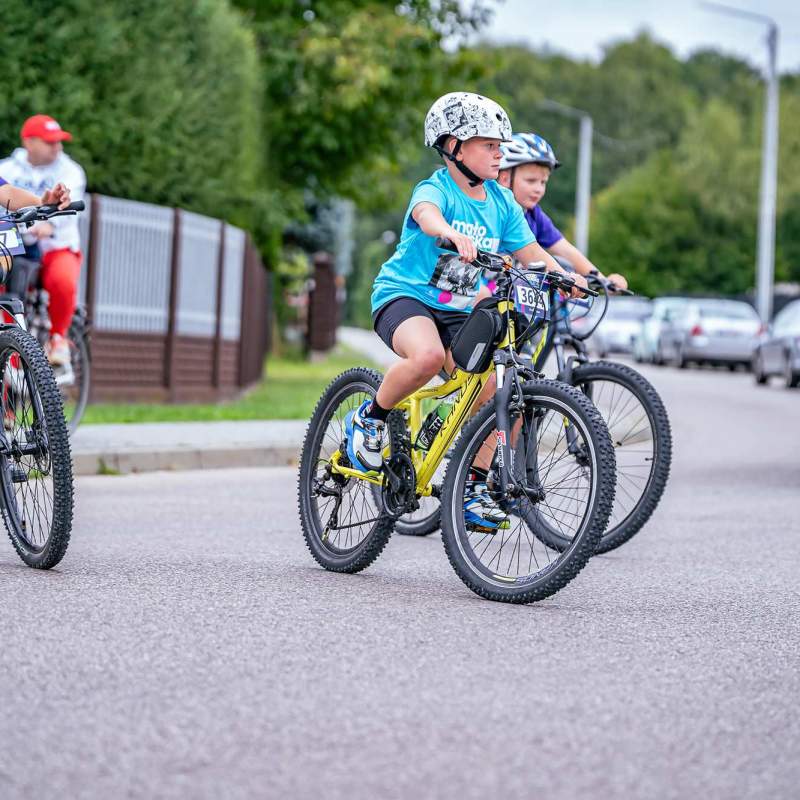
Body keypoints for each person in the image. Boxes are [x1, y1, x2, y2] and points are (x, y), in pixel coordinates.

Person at [345, 92, 585, 529]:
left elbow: (531, 251)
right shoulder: (436, 187)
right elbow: (426, 213)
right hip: (406, 296)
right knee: (427, 357)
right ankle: (369, 417)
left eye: (500, 146)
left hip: (458, 311)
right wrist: (451, 234)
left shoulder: (502, 202)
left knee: (498, 388)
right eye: (489, 146)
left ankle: (472, 486)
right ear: (454, 146)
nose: (500, 154)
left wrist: (564, 277)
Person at [0, 115, 86, 366]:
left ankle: (58, 339)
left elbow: (6, 193)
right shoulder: (8, 167)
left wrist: (46, 209)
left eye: (58, 142)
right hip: (17, 242)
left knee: (62, 281)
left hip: (55, 243)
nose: (56, 147)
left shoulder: (70, 170)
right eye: (50, 142)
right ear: (29, 142)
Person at [497, 132, 628, 289]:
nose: (539, 189)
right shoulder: (492, 208)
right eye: (531, 181)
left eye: (543, 182)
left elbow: (566, 251)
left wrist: (604, 281)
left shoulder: (534, 215)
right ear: (504, 178)